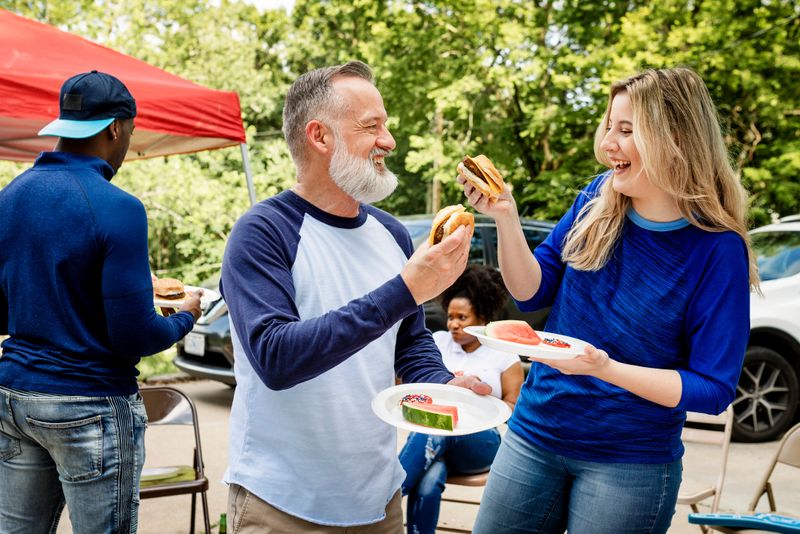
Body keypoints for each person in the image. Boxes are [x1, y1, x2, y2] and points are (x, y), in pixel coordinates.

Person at [459, 67, 759, 534]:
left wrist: (605, 368)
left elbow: (713, 390)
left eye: (626, 130)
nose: (607, 145)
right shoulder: (595, 199)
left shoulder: (717, 249)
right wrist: (505, 217)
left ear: (674, 138)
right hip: (535, 433)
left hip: (630, 465)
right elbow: (531, 290)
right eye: (608, 127)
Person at [220, 60, 489, 533]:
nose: (388, 141)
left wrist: (441, 382)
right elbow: (276, 357)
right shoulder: (262, 231)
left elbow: (408, 338)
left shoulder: (392, 233)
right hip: (280, 503)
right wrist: (405, 289)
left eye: (385, 126)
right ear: (320, 137)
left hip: (378, 499)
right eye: (372, 127)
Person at [0, 71, 201, 534]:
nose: (128, 141)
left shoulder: (10, 197)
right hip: (88, 404)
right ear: (115, 128)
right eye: (130, 131)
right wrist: (186, 314)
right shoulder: (117, 206)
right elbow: (136, 334)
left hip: (14, 398)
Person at [399, 265, 524, 534]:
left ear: (482, 317)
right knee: (430, 477)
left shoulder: (503, 355)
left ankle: (387, 496)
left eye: (463, 317)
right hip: (434, 443)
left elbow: (515, 408)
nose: (453, 324)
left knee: (440, 427)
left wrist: (481, 400)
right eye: (451, 316)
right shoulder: (439, 342)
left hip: (482, 442)